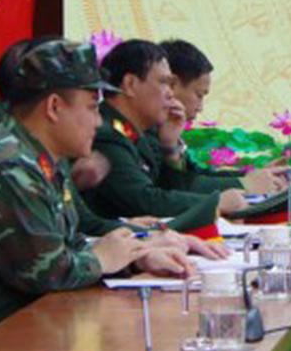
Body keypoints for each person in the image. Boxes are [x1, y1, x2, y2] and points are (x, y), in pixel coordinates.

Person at [0, 38, 189, 339]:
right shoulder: (9, 165)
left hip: (19, 329)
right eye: (92, 107)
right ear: (54, 107)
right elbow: (45, 273)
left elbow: (65, 246)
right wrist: (102, 259)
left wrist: (135, 256)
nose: (98, 122)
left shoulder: (40, 158)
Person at [80, 39, 248, 230]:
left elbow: (167, 186)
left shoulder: (135, 132)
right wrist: (214, 202)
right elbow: (144, 200)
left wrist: (170, 147)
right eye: (164, 83)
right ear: (130, 84)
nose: (170, 94)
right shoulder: (107, 135)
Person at [160, 37, 288, 196]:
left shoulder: (168, 129)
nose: (201, 108)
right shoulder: (143, 134)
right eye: (199, 95)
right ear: (173, 84)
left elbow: (196, 175)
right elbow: (174, 189)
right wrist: (244, 184)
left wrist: (252, 176)